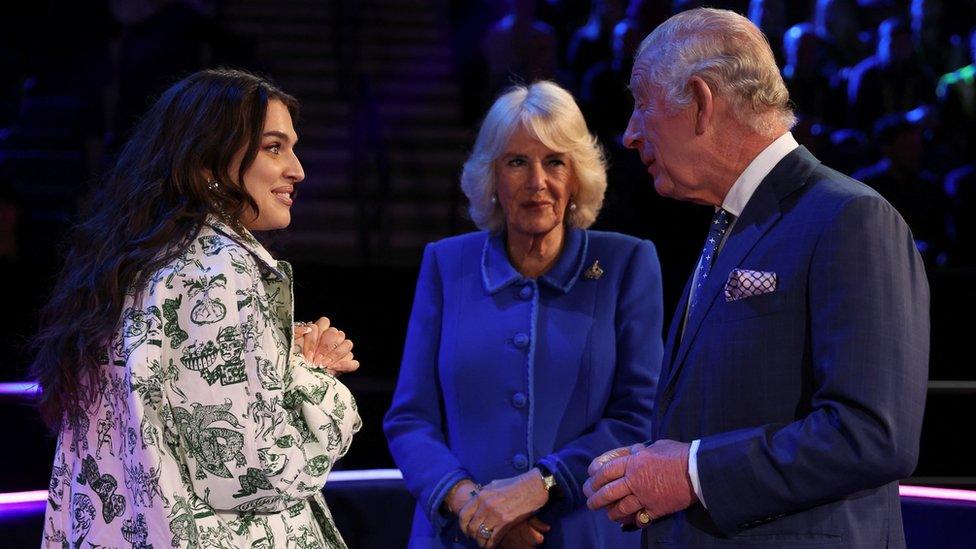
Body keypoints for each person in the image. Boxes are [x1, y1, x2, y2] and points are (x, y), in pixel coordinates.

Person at [584, 8, 929, 547]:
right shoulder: (734, 223)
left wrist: (693, 473)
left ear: (699, 102)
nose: (629, 133)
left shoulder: (850, 217)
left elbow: (872, 435)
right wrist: (655, 467)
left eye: (642, 105)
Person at [31, 68, 362, 548]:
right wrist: (317, 379)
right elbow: (255, 471)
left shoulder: (127, 265)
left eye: (292, 146)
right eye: (274, 147)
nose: (298, 169)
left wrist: (279, 363)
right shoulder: (220, 268)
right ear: (208, 162)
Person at [384, 81, 663, 548]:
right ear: (491, 178)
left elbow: (641, 415)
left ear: (577, 176)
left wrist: (538, 487)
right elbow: (410, 418)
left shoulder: (627, 265)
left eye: (554, 161)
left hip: (584, 533)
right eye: (517, 162)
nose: (537, 182)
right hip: (461, 535)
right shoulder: (446, 264)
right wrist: (473, 504)